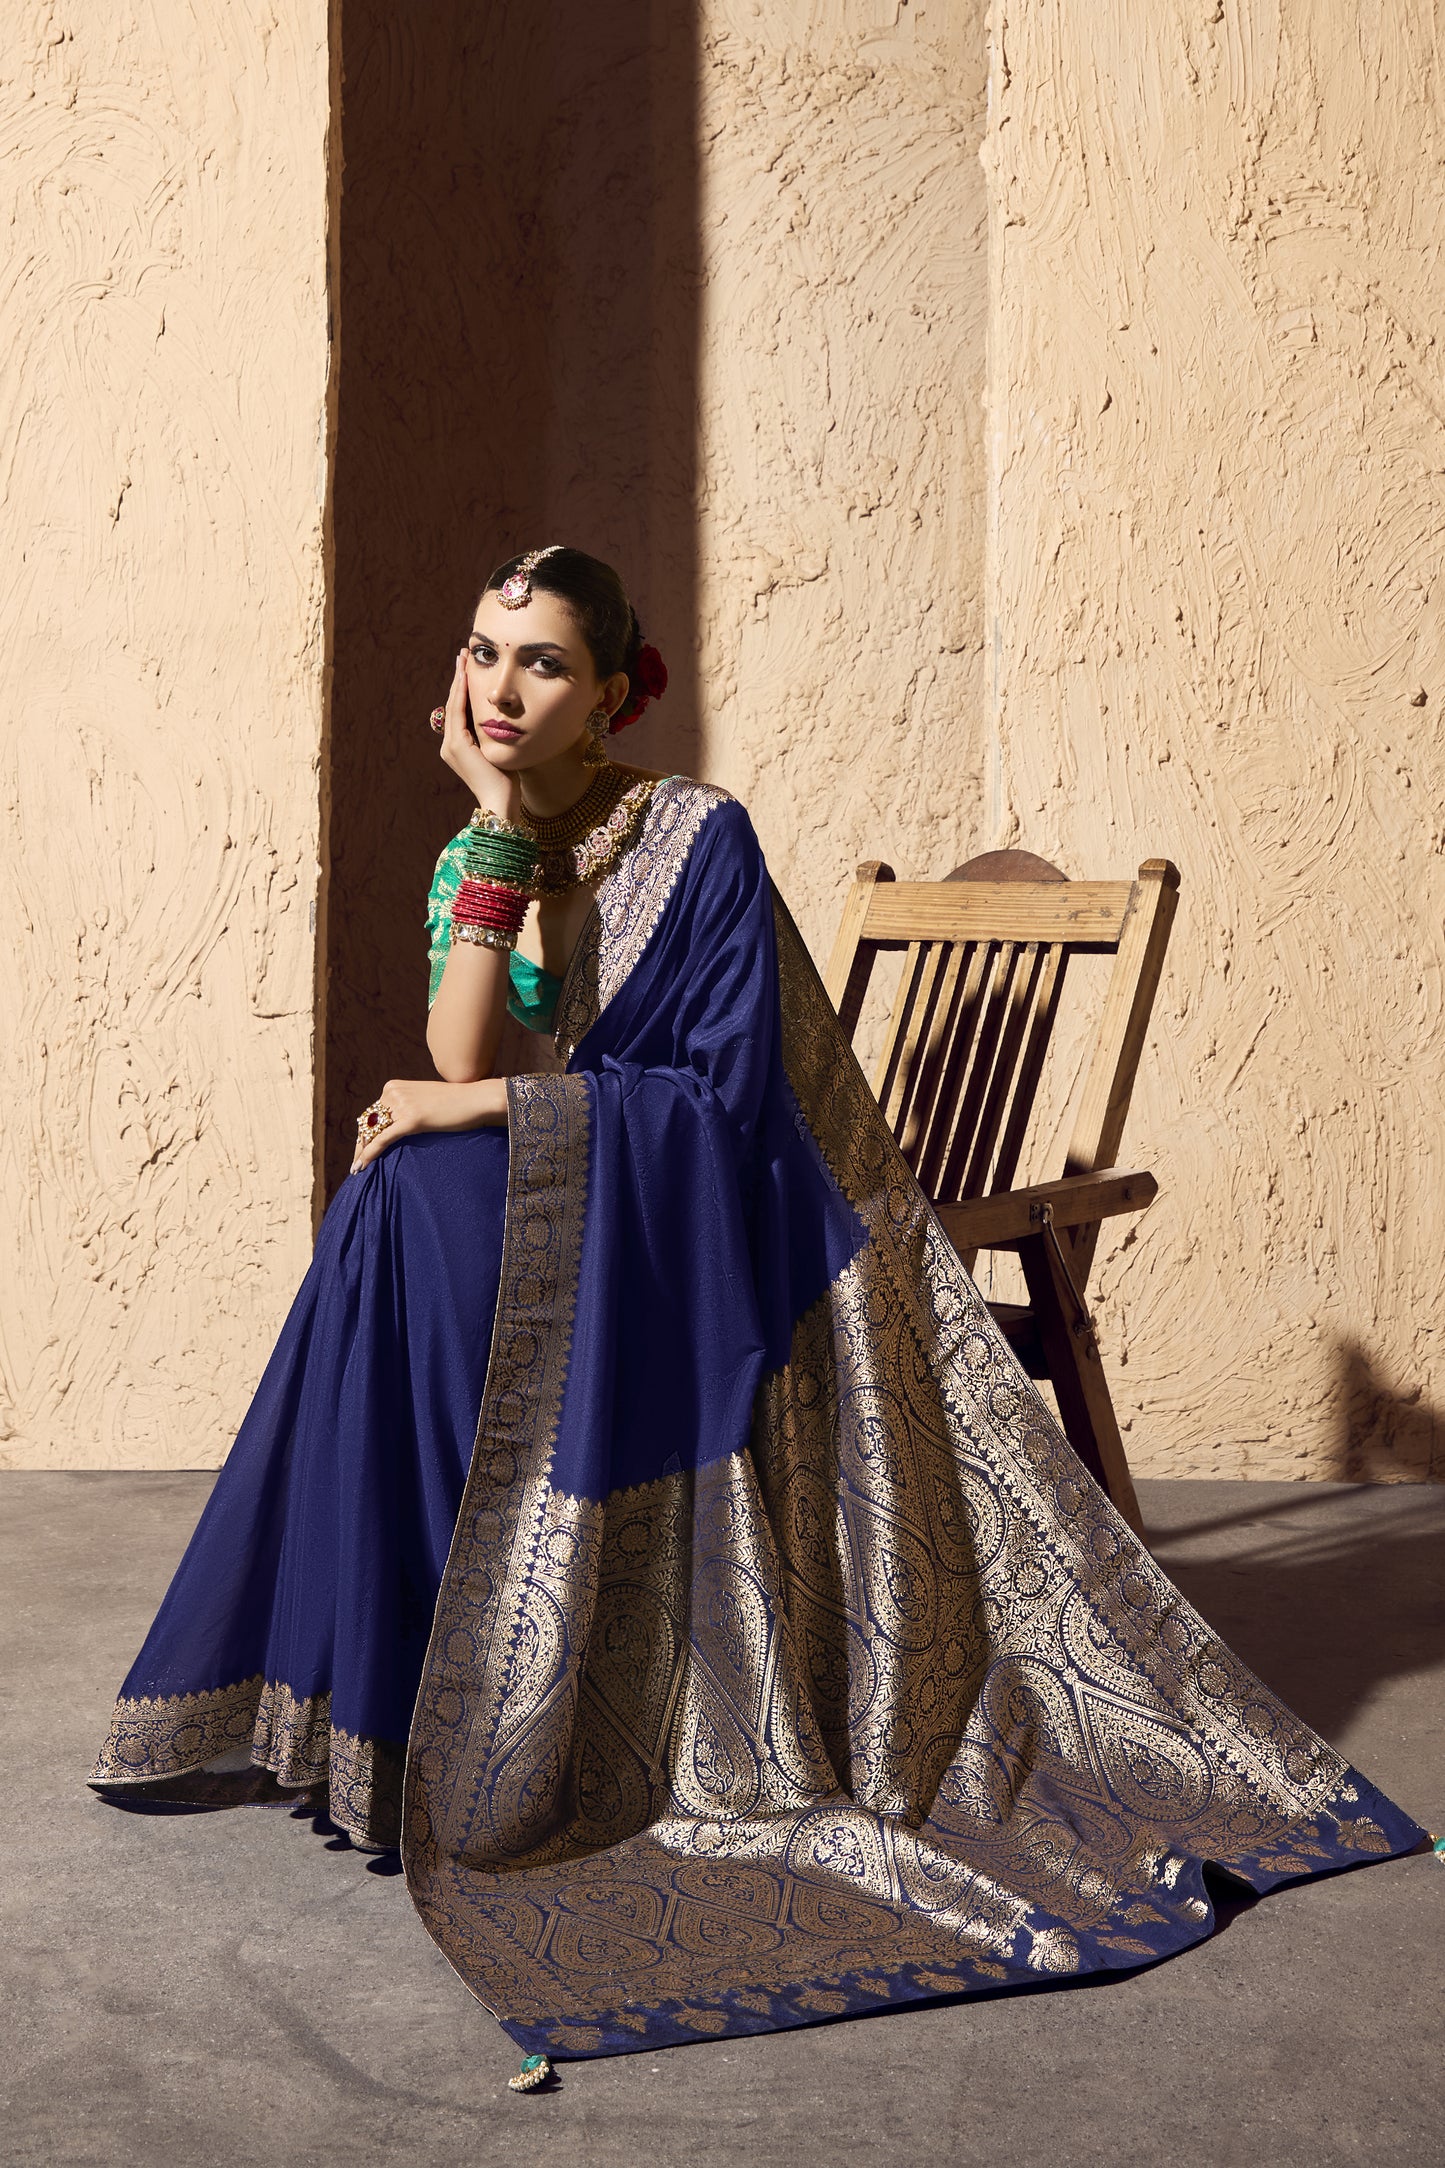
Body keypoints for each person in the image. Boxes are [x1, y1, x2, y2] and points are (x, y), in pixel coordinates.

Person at [93, 545, 1424, 2072]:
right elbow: (463, 1057)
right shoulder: (506, 838)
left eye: (540, 664)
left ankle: (503, 1687)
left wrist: (479, 1117)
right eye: (481, 654)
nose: (500, 690)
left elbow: (720, 1105)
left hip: (730, 1210)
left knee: (416, 1187)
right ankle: (415, 1701)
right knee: (398, 1197)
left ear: (615, 689)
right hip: (599, 1174)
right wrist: (486, 831)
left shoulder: (694, 834)